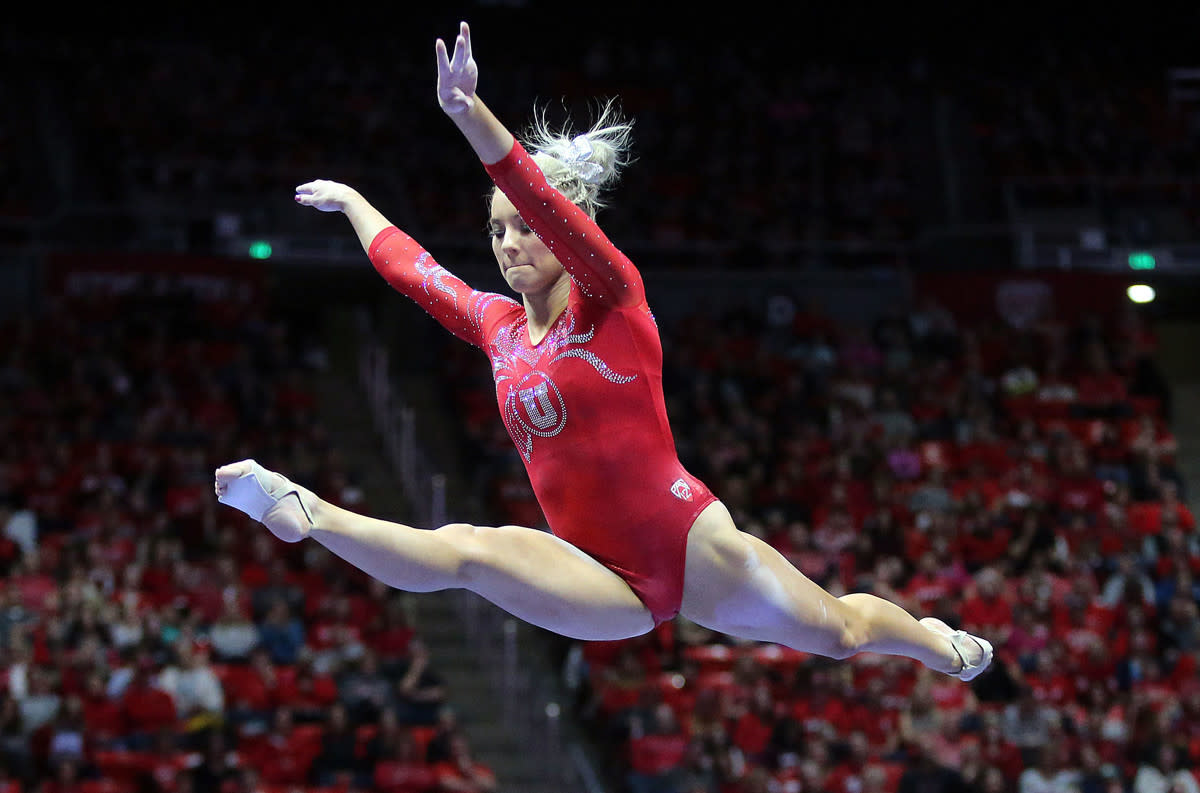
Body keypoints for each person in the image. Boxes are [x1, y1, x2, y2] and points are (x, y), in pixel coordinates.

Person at [215, 22, 991, 682]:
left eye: (523, 227)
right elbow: (413, 271)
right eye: (497, 230)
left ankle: (931, 641)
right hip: (595, 572)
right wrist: (353, 200)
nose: (511, 243)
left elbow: (539, 195)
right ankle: (304, 510)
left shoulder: (614, 295)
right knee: (469, 552)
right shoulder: (498, 328)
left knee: (842, 636)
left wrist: (468, 114)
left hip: (689, 545)